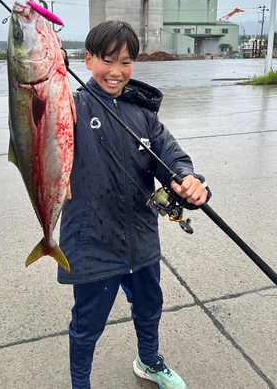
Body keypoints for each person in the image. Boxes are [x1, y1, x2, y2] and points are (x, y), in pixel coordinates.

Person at [58, 21, 211, 389]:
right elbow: (37, 105)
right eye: (107, 60)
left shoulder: (143, 113)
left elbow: (172, 156)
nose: (116, 71)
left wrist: (189, 181)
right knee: (87, 325)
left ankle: (149, 362)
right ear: (88, 60)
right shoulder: (71, 105)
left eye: (125, 62)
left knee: (149, 309)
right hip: (91, 243)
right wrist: (49, 66)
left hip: (141, 239)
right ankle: (80, 383)